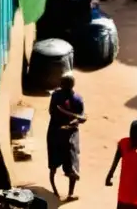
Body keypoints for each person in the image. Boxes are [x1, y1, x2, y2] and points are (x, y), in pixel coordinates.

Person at [47, 73, 86, 201]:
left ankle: (59, 192)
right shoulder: (76, 99)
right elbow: (80, 117)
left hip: (59, 133)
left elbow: (51, 112)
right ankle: (65, 193)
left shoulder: (58, 96)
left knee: (59, 164)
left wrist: (73, 120)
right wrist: (73, 120)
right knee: (65, 164)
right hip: (65, 134)